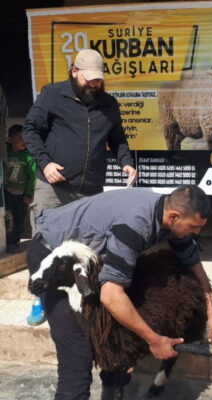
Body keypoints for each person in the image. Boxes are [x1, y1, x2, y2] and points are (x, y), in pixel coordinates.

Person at [27, 185, 212, 400]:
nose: (197, 232)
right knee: (78, 355)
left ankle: (113, 391)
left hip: (91, 262)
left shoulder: (168, 214)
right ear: (175, 217)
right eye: (194, 226)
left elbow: (192, 262)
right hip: (57, 266)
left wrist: (211, 313)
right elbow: (111, 295)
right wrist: (154, 340)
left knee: (117, 337)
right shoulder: (135, 224)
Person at [23, 48, 136, 325]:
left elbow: (118, 139)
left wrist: (126, 162)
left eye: (98, 79)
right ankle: (39, 297)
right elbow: (30, 130)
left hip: (89, 191)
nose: (94, 84)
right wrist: (46, 163)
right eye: (89, 79)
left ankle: (80, 299)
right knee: (44, 244)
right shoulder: (52, 94)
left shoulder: (108, 104)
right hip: (53, 187)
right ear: (74, 71)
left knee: (83, 248)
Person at [3, 124, 36, 253]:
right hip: (7, 192)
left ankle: (15, 241)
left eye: (25, 138)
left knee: (19, 219)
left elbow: (33, 176)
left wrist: (29, 193)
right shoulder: (5, 152)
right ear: (11, 139)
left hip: (22, 194)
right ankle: (8, 241)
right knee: (8, 217)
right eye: (20, 138)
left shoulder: (29, 156)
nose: (24, 141)